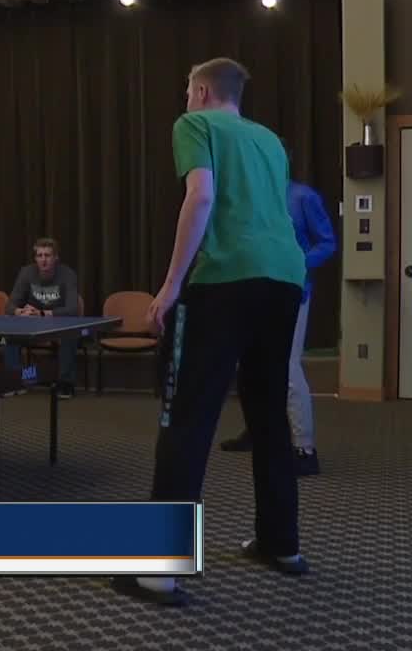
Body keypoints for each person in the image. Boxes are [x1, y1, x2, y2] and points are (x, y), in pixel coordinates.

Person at [111, 58, 308, 607]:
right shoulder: (270, 140)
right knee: (268, 414)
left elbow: (200, 196)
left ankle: (158, 572)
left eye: (187, 91)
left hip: (224, 281)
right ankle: (281, 544)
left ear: (200, 90)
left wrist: (172, 283)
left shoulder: (193, 124)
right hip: (285, 278)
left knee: (188, 417)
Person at [221, 177, 336, 476]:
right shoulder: (249, 194)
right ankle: (257, 430)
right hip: (251, 289)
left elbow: (327, 242)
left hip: (291, 290)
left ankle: (304, 449)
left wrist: (296, 261)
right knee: (249, 365)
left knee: (287, 367)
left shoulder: (303, 196)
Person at [2, 238, 80, 399]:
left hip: (59, 323)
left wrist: (44, 313)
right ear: (35, 258)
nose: (43, 260)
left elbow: (73, 308)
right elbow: (9, 306)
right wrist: (20, 312)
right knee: (10, 331)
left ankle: (65, 384)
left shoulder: (68, 274)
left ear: (56, 258)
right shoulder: (26, 272)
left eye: (48, 255)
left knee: (71, 334)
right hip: (33, 323)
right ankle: (16, 380)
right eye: (40, 255)